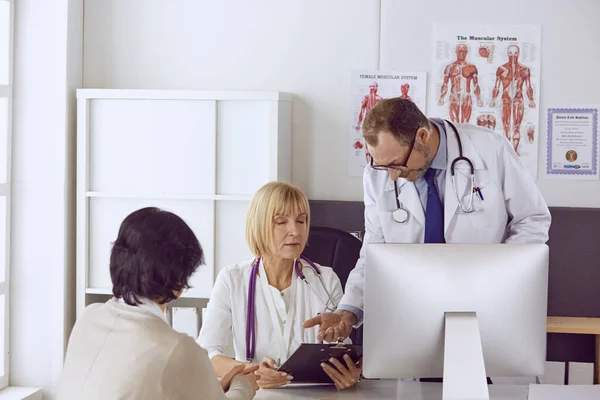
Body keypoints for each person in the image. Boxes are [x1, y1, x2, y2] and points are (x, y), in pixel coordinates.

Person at [304, 97, 551, 342]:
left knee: (482, 374)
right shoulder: (377, 173)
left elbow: (533, 218)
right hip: (415, 309)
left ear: (422, 136)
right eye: (382, 166)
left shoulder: (489, 148)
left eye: (397, 165)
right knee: (418, 377)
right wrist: (349, 310)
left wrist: (501, 274)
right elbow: (375, 251)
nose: (391, 176)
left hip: (485, 301)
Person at [57, 207, 259, 400]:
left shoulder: (89, 317)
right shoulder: (178, 349)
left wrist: (213, 388)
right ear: (179, 280)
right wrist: (243, 385)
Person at [198, 182, 362, 390]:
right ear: (259, 226)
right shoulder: (233, 279)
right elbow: (207, 353)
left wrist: (350, 373)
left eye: (301, 221)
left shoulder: (325, 278)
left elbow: (343, 351)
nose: (295, 231)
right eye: (281, 222)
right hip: (258, 395)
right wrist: (252, 370)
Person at [438, 44, 484, 124]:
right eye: (459, 51)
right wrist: (442, 98)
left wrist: (478, 98)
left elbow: (476, 84)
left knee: (465, 123)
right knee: (455, 123)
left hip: (467, 96)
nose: (461, 53)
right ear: (456, 52)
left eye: (463, 51)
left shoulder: (472, 67)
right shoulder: (449, 67)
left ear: (467, 52)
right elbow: (445, 84)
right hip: (454, 96)